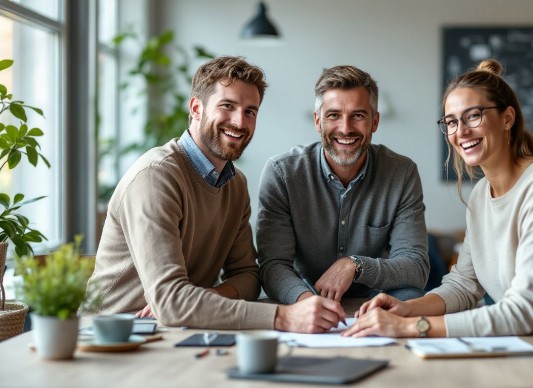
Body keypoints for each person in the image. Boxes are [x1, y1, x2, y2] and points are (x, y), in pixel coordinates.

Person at [344, 59, 533, 388]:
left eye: (473, 116)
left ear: (507, 118)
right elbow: (464, 285)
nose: (460, 132)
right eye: (450, 122)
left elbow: (523, 313)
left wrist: (412, 326)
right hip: (520, 352)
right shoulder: (480, 194)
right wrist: (405, 308)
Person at [87, 56, 345, 333]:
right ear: (196, 108)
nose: (239, 122)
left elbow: (248, 276)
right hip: (112, 335)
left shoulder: (234, 184)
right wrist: (283, 317)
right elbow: (172, 302)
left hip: (181, 328)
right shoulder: (155, 176)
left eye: (250, 111)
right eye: (228, 106)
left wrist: (208, 298)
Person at [257, 65, 430, 305]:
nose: (346, 128)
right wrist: (306, 303)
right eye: (334, 115)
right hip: (303, 296)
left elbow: (416, 266)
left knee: (411, 296)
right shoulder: (282, 173)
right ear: (318, 121)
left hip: (372, 300)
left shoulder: (402, 173)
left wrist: (355, 265)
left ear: (375, 122)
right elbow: (273, 265)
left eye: (358, 115)